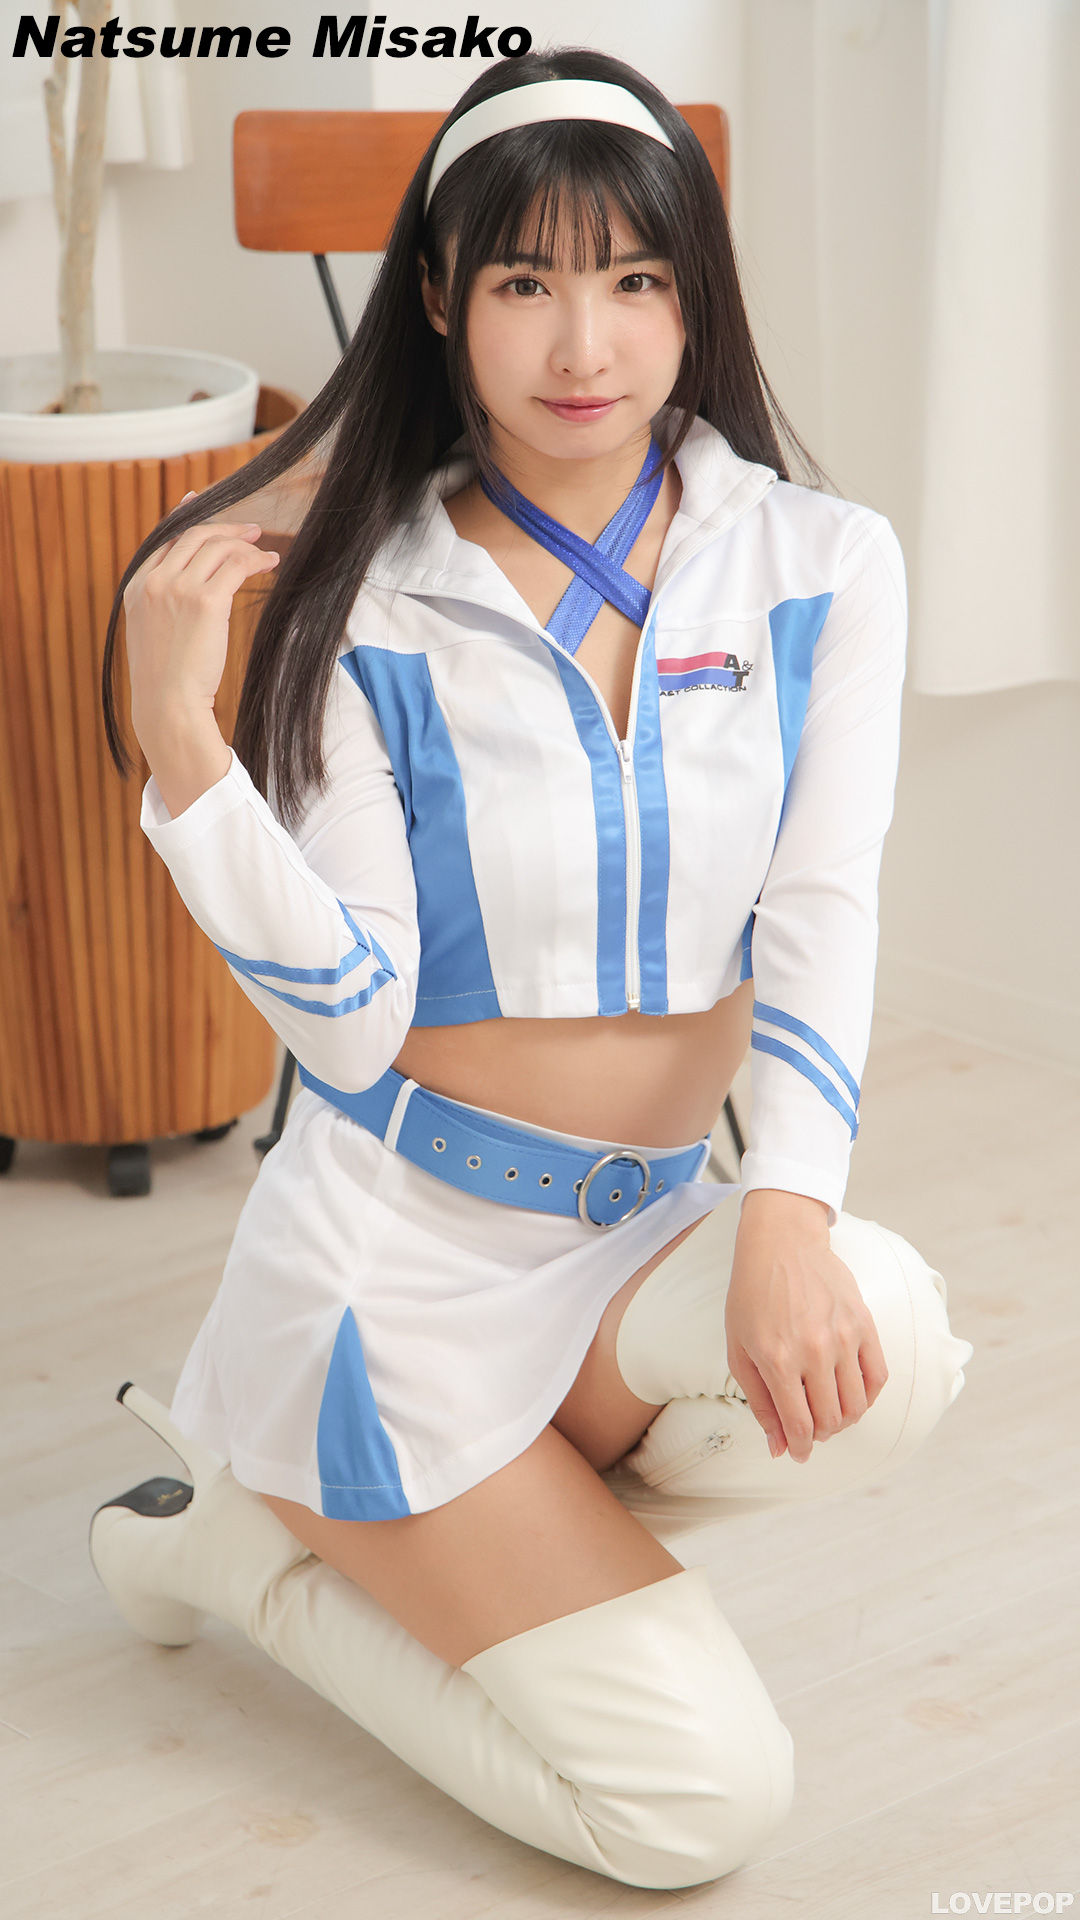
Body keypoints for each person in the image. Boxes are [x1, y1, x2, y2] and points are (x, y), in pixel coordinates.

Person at [91, 47, 973, 1892]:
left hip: (638, 1239)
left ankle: (488, 1515)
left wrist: (787, 1211)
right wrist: (189, 754)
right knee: (698, 1812)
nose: (586, 343)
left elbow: (823, 909)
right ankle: (244, 1543)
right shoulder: (364, 600)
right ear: (441, 297)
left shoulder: (820, 565)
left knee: (888, 1336)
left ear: (693, 296)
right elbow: (350, 1028)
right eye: (526, 283)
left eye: (635, 280)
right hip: (405, 1271)